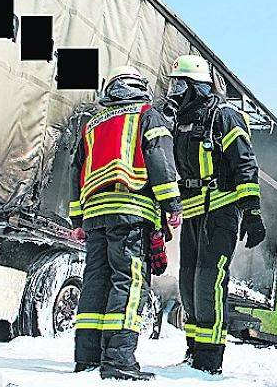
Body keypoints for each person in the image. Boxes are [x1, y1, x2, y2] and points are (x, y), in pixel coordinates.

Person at [69, 66, 183, 381]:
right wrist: (171, 203)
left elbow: (76, 170)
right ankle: (119, 360)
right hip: (131, 212)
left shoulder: (92, 124)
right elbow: (159, 160)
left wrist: (77, 218)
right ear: (139, 87)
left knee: (95, 283)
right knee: (129, 283)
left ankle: (87, 357)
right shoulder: (148, 115)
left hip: (95, 216)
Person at [165, 55, 266, 374]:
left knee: (210, 281)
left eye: (181, 84)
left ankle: (210, 361)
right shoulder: (182, 122)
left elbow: (245, 164)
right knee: (189, 283)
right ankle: (194, 352)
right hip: (194, 210)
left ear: (198, 87)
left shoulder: (224, 116)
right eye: (174, 84)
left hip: (222, 208)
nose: (176, 91)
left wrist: (251, 212)